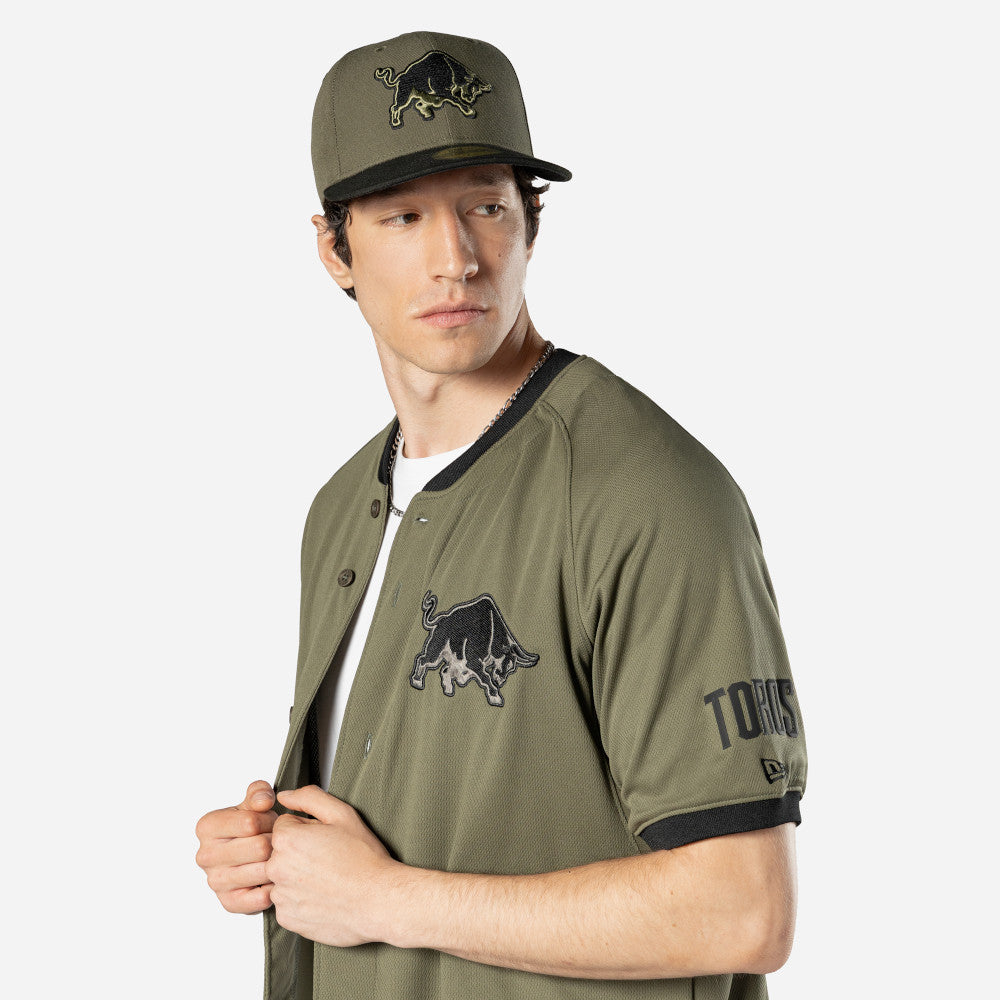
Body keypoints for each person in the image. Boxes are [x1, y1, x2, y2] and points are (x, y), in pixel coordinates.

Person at [195, 30, 807, 1000]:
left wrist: (385, 899)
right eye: (402, 216)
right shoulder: (340, 510)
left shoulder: (648, 494)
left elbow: (741, 908)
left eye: (485, 206)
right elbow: (424, 815)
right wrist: (274, 856)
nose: (455, 260)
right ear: (334, 248)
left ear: (531, 221)